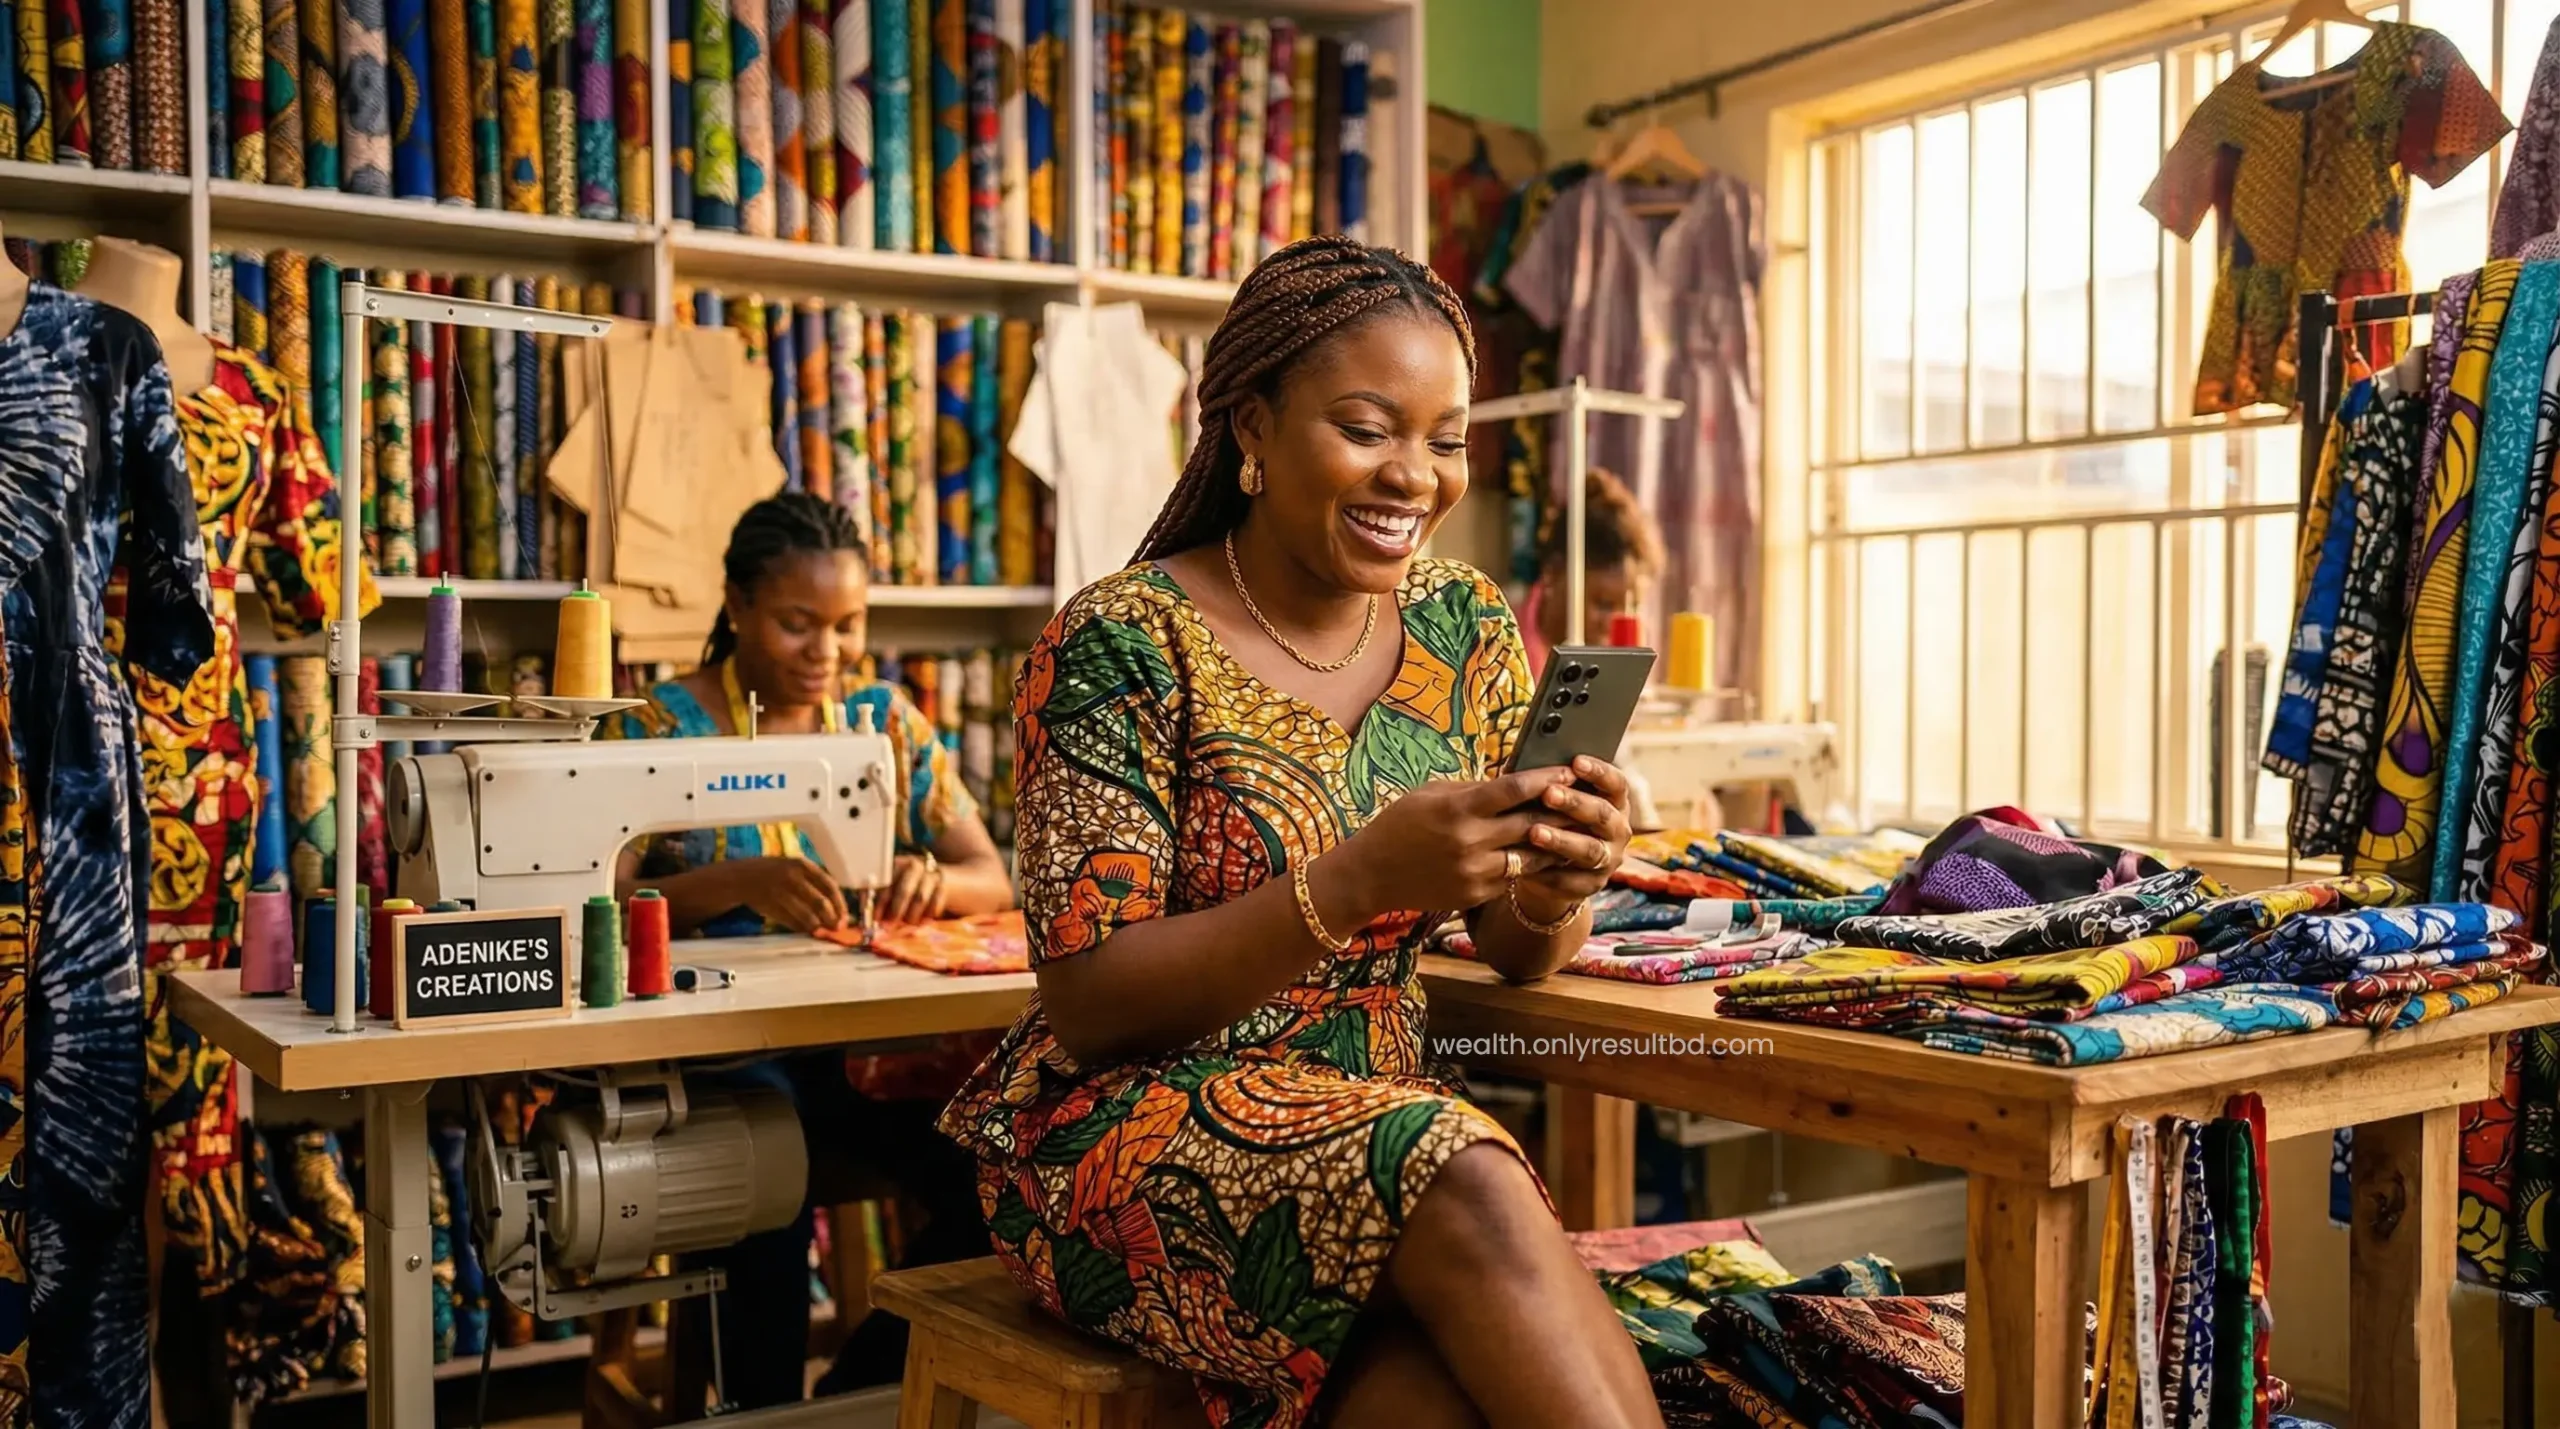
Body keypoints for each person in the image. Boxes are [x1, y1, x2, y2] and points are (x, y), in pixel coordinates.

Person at [938, 238, 1662, 1429]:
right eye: (1368, 428)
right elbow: (1088, 1002)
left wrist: (1553, 883)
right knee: (1469, 1172)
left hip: (1367, 1131)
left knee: (1443, 1396)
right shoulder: (1122, 641)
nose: (1414, 478)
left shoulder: (1467, 627)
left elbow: (1520, 945)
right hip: (1119, 1137)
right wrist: (1359, 877)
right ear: (1254, 429)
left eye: (1444, 440)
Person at [605, 492, 1014, 1404]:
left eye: (847, 626)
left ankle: (856, 1394)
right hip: (721, 1054)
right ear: (737, 605)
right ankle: (762, 1412)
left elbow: (988, 873)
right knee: (764, 1164)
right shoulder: (651, 729)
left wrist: (928, 881)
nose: (826, 653)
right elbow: (594, 904)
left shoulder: (882, 720)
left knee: (1006, 1158)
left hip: (863, 1046)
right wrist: (734, 884)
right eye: (797, 624)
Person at [1519, 467, 1665, 674]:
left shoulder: (1618, 667)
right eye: (1604, 605)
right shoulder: (1502, 650)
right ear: (1553, 573)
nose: (1615, 625)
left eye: (1633, 607)